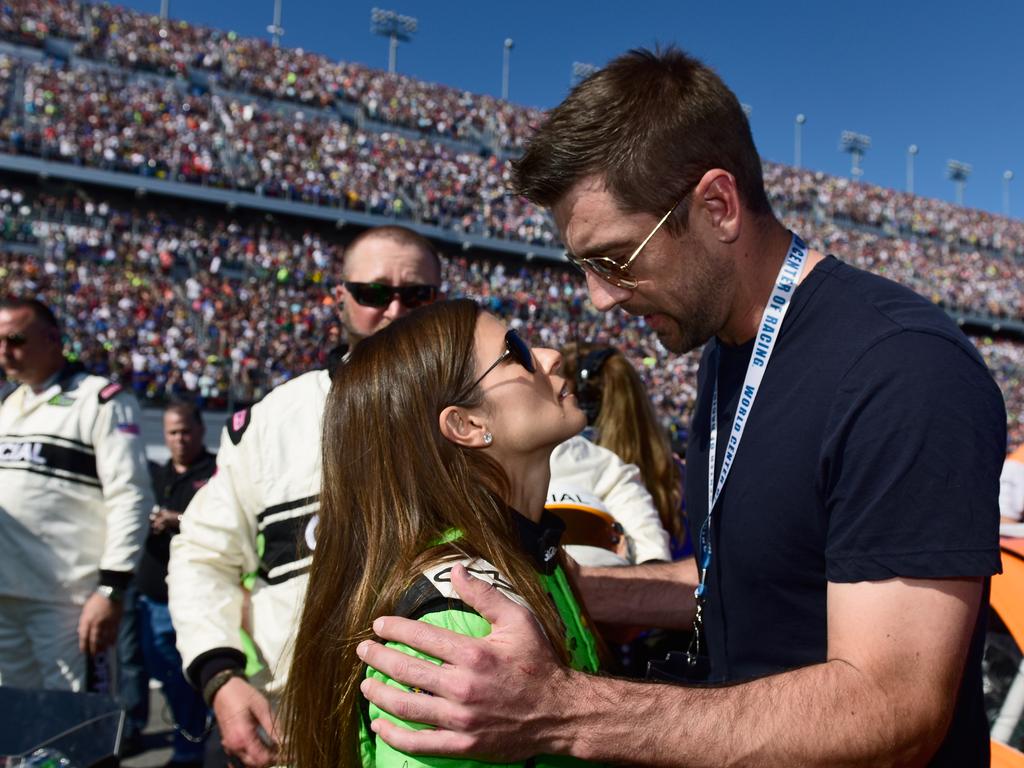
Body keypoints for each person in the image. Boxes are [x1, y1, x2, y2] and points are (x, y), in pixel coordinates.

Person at [356, 47, 1006, 766]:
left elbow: (894, 709)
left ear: (718, 206)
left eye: (616, 259)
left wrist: (560, 711)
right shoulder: (728, 345)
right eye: (585, 267)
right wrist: (562, 590)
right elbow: (753, 577)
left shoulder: (902, 370)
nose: (600, 296)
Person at [282, 298, 605, 767]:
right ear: (467, 424)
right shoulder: (459, 619)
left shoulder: (528, 555)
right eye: (514, 351)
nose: (551, 355)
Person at [167, 225, 444, 768]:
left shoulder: (492, 414)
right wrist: (219, 678)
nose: (394, 309)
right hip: (298, 722)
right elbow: (203, 555)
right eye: (372, 293)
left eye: (415, 295)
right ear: (339, 297)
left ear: (438, 301)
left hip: (444, 723)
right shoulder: (273, 421)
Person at [0, 297, 151, 691]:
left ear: (53, 339)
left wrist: (111, 588)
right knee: (18, 727)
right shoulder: (7, 405)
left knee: (79, 728)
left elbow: (130, 496)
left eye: (15, 339)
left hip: (69, 602)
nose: (5, 352)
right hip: (6, 597)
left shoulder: (101, 401)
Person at [138, 399, 217, 767]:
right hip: (149, 596)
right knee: (156, 674)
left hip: (192, 599)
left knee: (186, 678)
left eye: (186, 431)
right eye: (172, 432)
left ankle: (191, 748)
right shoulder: (154, 474)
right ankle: (180, 735)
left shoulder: (217, 471)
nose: (180, 439)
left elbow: (224, 525)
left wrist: (179, 520)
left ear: (200, 430)